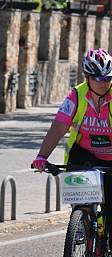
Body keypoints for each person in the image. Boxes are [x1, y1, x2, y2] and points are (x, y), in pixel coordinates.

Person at [32, 48, 112, 219]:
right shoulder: (76, 95)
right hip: (84, 155)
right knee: (80, 204)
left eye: (107, 78)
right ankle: (81, 225)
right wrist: (42, 157)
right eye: (97, 78)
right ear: (87, 77)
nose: (103, 82)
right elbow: (58, 127)